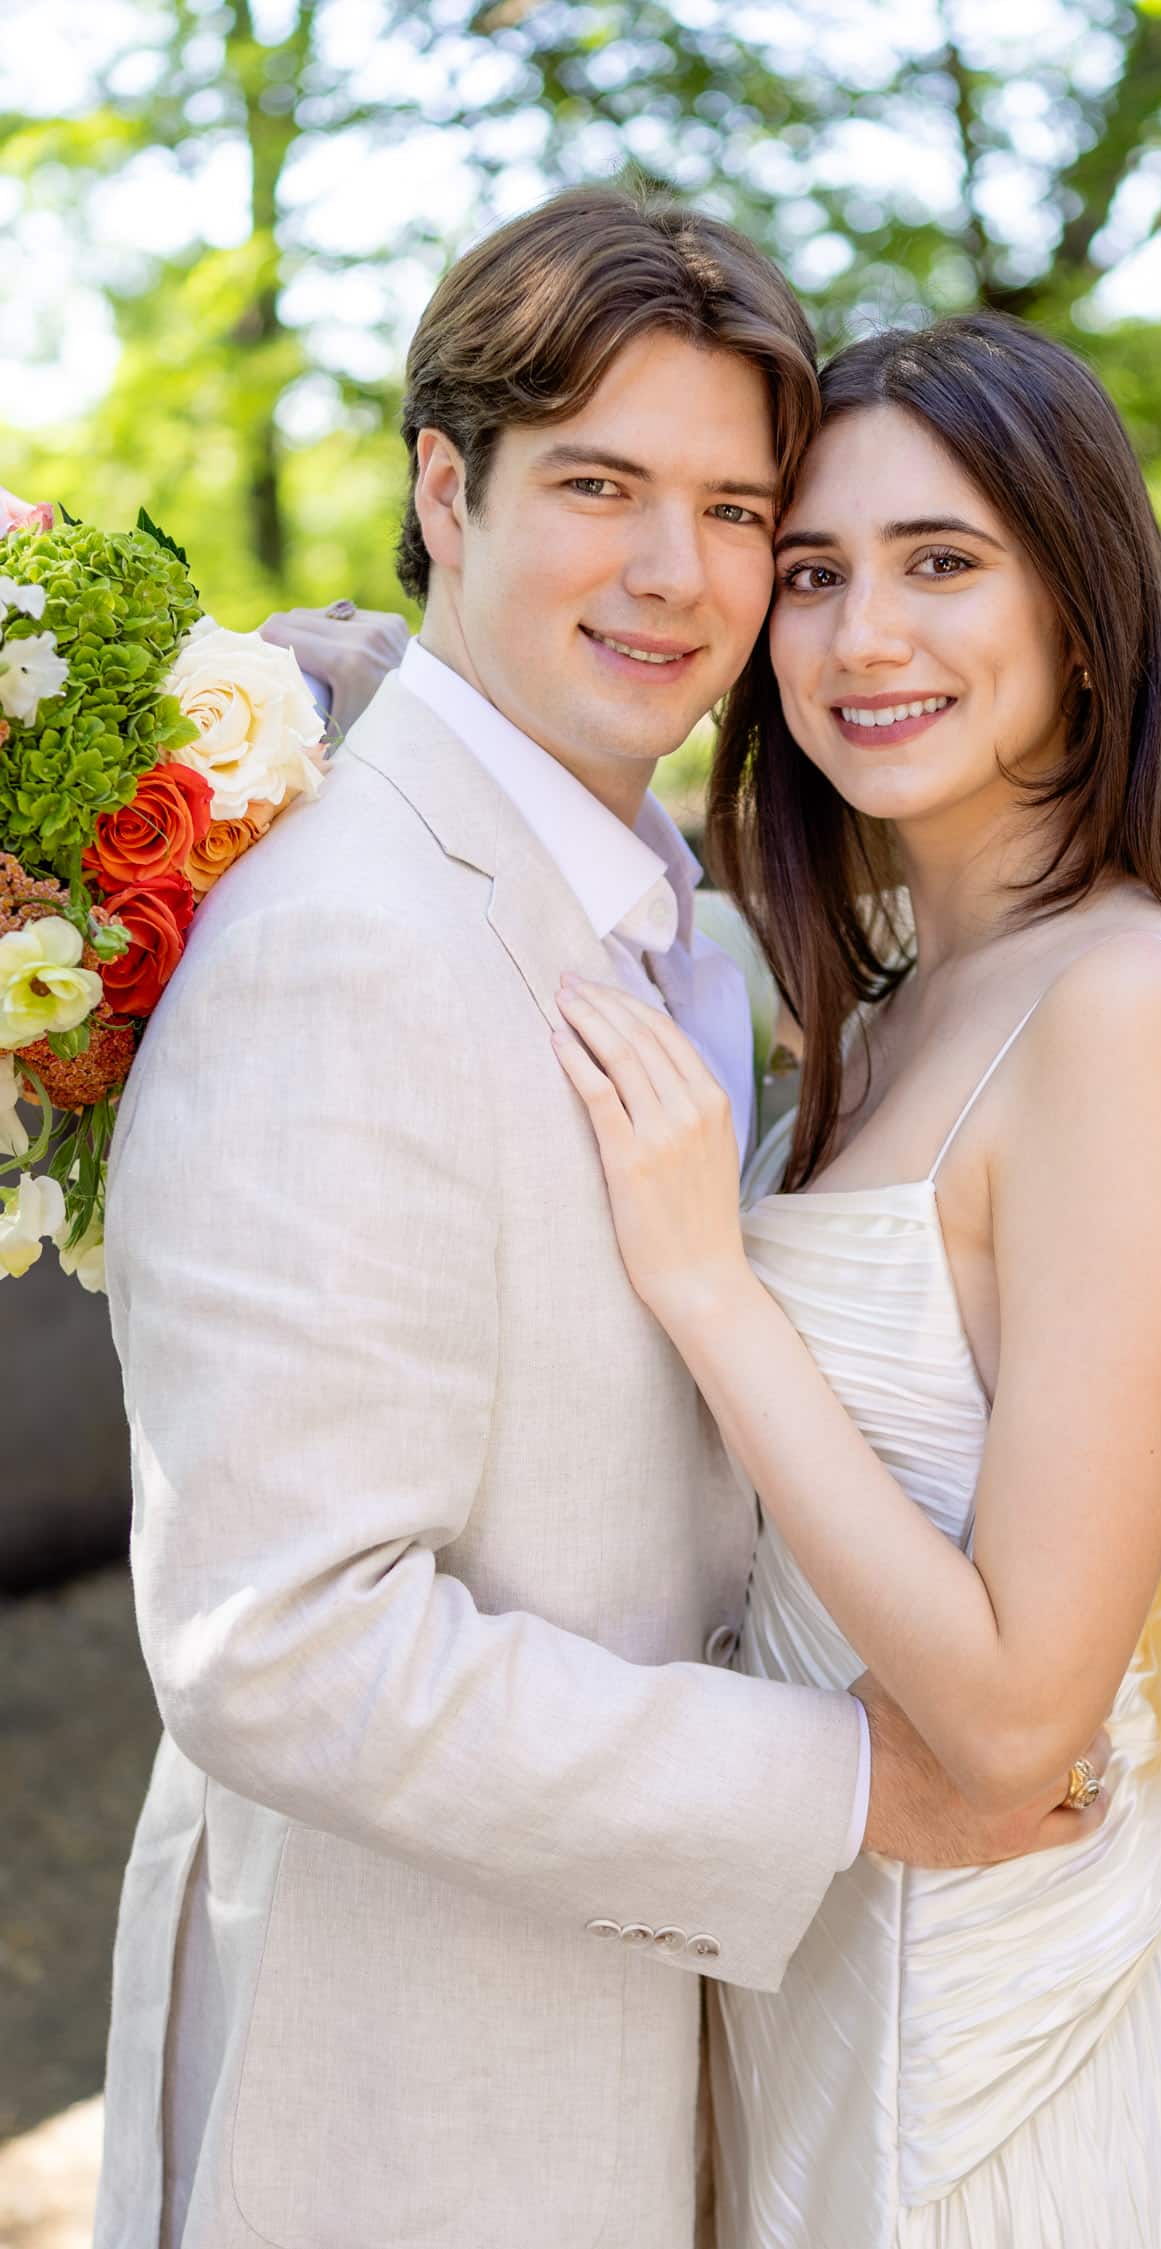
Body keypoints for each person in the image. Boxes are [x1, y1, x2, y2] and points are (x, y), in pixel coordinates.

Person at [93, 194, 1108, 2249]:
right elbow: (279, 1641)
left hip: (673, 2040)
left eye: (736, 511)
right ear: (444, 493)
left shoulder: (670, 923)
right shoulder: (344, 940)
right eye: (598, 485)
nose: (676, 573)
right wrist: (846, 1783)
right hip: (409, 2096)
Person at [553, 312, 1161, 2246]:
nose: (863, 638)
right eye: (812, 571)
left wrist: (709, 1283)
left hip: (989, 2064)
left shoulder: (1134, 1005)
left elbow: (1016, 1721)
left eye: (941, 561)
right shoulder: (903, 993)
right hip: (817, 1994)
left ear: (1081, 612)